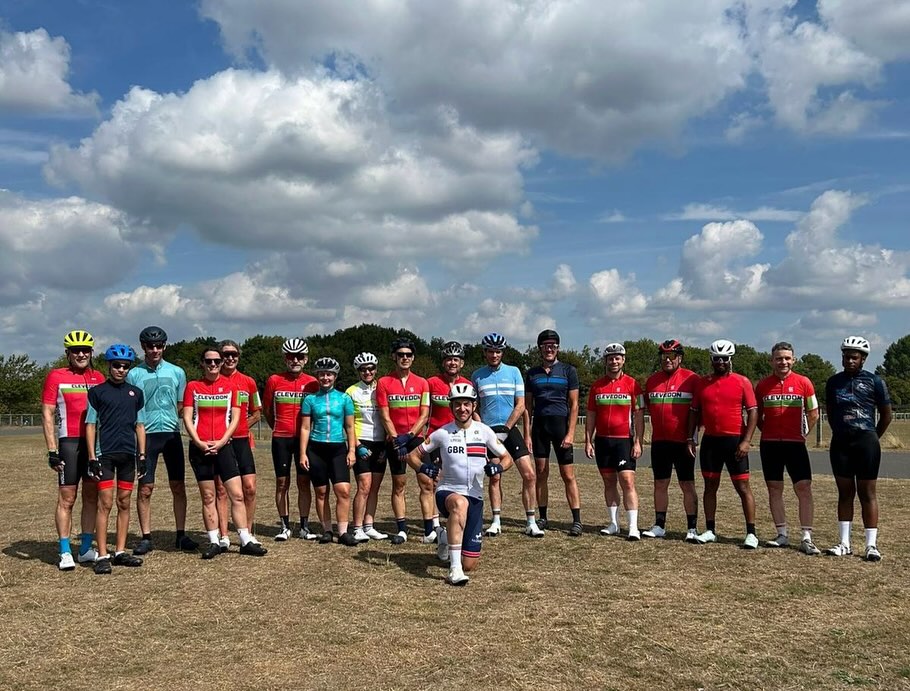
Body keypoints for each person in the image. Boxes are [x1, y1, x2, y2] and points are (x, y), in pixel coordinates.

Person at [405, 383, 514, 586]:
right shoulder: (442, 433)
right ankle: (455, 570)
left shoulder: (484, 432)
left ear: (474, 406)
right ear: (451, 407)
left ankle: (445, 538)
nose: (461, 409)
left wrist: (498, 468)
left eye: (466, 404)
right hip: (448, 492)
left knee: (470, 563)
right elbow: (412, 456)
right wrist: (424, 469)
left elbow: (507, 458)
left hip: (475, 497)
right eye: (457, 405)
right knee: (459, 504)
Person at [182, 347, 267, 558]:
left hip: (224, 446)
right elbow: (187, 416)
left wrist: (221, 441)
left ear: (221, 363)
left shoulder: (232, 386)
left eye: (217, 361)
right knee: (209, 496)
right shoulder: (193, 386)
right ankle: (214, 541)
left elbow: (236, 417)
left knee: (237, 495)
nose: (213, 365)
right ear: (202, 363)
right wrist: (199, 442)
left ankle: (245, 539)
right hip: (200, 448)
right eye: (208, 361)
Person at [126, 326, 197, 555]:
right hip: (145, 435)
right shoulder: (134, 374)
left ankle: (181, 534)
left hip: (171, 434)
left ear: (164, 346)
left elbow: (181, 404)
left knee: (178, 485)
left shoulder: (177, 372)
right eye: (149, 346)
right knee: (146, 488)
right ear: (143, 347)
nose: (154, 350)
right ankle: (146, 537)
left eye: (158, 346)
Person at [824, 336, 892, 561]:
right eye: (846, 357)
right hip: (841, 443)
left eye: (854, 357)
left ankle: (871, 545)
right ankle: (844, 543)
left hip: (866, 443)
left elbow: (886, 415)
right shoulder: (833, 382)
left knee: (867, 493)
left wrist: (872, 436)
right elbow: (832, 413)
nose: (849, 360)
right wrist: (841, 433)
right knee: (845, 493)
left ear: (863, 359)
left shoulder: (875, 382)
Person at [687, 339, 760, 548]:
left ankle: (751, 533)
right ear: (711, 360)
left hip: (735, 440)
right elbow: (694, 412)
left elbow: (753, 411)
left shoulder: (742, 381)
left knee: (742, 486)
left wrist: (746, 440)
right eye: (717, 359)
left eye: (724, 359)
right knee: (710, 486)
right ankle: (710, 529)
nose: (720, 362)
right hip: (711, 441)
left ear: (730, 360)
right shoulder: (702, 382)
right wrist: (690, 437)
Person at [42, 330, 105, 570]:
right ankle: (65, 551)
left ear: (91, 352)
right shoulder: (56, 376)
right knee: (67, 498)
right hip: (68, 443)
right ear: (67, 353)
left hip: (93, 445)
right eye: (76, 350)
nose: (81, 354)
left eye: (85, 350)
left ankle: (86, 548)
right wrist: (51, 450)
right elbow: (47, 413)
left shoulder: (99, 377)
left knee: (91, 496)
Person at [472, 333, 542, 538]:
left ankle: (531, 522)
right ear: (485, 352)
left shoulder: (514, 372)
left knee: (529, 474)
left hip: (510, 430)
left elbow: (521, 405)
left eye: (498, 351)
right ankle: (495, 521)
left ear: (503, 352)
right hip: (489, 430)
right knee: (494, 475)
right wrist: (484, 429)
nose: (494, 355)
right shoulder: (477, 375)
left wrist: (506, 428)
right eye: (490, 351)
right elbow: (474, 406)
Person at [755, 342, 821, 554]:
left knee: (803, 488)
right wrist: (767, 431)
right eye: (778, 358)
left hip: (795, 445)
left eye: (787, 358)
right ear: (771, 361)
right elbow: (756, 415)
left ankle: (806, 537)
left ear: (794, 360)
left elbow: (814, 412)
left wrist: (803, 433)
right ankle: (782, 534)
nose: (783, 362)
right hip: (770, 444)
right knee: (775, 488)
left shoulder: (804, 382)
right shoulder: (763, 385)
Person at [85, 344, 146, 574]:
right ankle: (102, 555)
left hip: (128, 456)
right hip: (105, 455)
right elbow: (90, 425)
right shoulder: (97, 392)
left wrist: (142, 455)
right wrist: (92, 456)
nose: (121, 369)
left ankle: (120, 552)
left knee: (124, 502)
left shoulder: (136, 393)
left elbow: (140, 425)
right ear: (109, 366)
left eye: (125, 366)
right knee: (105, 503)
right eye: (116, 365)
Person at [524, 329, 582, 536]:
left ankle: (576, 520)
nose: (549, 349)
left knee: (568, 475)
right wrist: (527, 435)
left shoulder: (568, 371)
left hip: (561, 428)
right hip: (540, 427)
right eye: (545, 346)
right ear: (540, 349)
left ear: (558, 348)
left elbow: (574, 405)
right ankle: (542, 517)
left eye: (553, 346)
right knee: (541, 473)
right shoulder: (532, 373)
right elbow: (527, 407)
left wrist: (571, 433)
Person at [584, 343, 644, 540]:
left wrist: (638, 442)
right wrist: (588, 440)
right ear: (606, 361)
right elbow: (591, 415)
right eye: (610, 358)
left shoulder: (633, 385)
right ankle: (614, 523)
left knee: (627, 481)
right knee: (608, 482)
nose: (614, 361)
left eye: (618, 357)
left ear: (623, 360)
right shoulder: (597, 386)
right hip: (603, 442)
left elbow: (638, 415)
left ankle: (633, 527)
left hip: (624, 441)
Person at [642, 339, 700, 542]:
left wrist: (693, 436)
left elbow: (700, 409)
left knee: (687, 484)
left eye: (671, 356)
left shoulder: (692, 379)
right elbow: (648, 405)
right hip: (660, 441)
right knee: (660, 483)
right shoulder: (652, 381)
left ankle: (692, 528)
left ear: (679, 358)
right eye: (663, 356)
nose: (667, 360)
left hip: (683, 442)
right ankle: (659, 525)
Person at [262, 338, 319, 541]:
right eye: (290, 356)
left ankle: (304, 525)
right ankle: (284, 526)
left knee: (304, 482)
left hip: (306, 440)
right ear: (285, 358)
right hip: (281, 438)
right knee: (282, 482)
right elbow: (267, 410)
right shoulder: (274, 380)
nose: (295, 360)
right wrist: (277, 428)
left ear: (306, 359)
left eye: (299, 356)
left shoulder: (313, 382)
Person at [375, 338, 430, 544]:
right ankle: (402, 529)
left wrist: (410, 435)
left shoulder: (422, 382)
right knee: (399, 484)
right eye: (400, 355)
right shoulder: (384, 382)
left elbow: (424, 414)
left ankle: (428, 530)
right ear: (394, 357)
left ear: (413, 358)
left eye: (408, 355)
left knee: (426, 482)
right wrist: (397, 439)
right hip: (395, 440)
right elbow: (384, 414)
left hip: (415, 438)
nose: (404, 358)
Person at [299, 357, 358, 546]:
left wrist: (352, 451)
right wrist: (302, 453)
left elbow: (350, 427)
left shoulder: (344, 398)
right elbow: (305, 428)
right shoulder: (309, 399)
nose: (326, 377)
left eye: (329, 374)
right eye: (322, 374)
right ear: (317, 376)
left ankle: (342, 531)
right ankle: (327, 530)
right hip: (316, 448)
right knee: (321, 492)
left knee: (343, 490)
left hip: (338, 448)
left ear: (335, 376)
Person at [422, 341, 472, 542]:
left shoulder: (468, 384)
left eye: (456, 359)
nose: (452, 363)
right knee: (435, 480)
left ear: (461, 363)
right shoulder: (432, 382)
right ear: (443, 362)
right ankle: (435, 523)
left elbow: (471, 412)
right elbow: (425, 412)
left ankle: (457, 516)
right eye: (449, 359)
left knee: (459, 477)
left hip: (460, 438)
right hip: (437, 436)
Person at [215, 339, 262, 550]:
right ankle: (223, 535)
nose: (230, 358)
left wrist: (240, 425)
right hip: (221, 443)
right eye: (226, 355)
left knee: (249, 488)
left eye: (234, 354)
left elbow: (257, 412)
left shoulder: (249, 381)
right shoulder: (212, 380)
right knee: (221, 490)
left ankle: (247, 533)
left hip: (242, 440)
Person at [345, 353, 389, 542]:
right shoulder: (351, 391)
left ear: (376, 369)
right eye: (363, 369)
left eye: (371, 368)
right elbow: (347, 422)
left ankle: (369, 525)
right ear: (358, 371)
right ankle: (357, 527)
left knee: (375, 488)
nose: (367, 372)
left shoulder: (382, 388)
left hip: (381, 442)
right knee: (364, 486)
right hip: (361, 440)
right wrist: (356, 445)